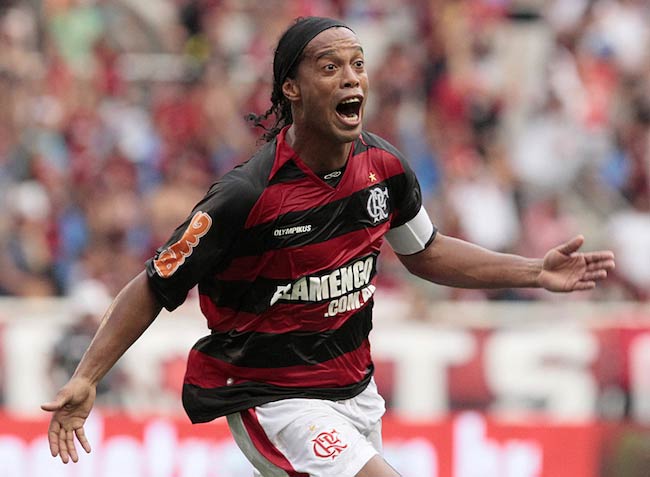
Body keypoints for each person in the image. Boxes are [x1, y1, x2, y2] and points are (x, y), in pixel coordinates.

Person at [41, 17, 616, 477]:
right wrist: (88, 375)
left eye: (358, 65)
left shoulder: (383, 167)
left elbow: (428, 251)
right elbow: (154, 283)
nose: (352, 78)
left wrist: (534, 271)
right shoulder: (244, 196)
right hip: (274, 396)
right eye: (331, 66)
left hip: (356, 392)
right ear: (290, 87)